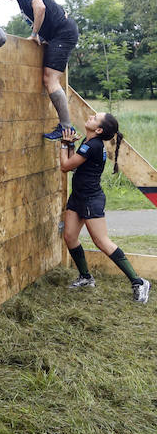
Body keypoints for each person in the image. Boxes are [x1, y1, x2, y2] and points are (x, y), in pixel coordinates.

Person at [60, 113, 151, 303]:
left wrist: (62, 144)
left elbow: (65, 166)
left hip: (91, 199)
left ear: (99, 129)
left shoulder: (93, 145)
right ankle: (85, 277)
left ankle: (138, 282)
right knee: (69, 236)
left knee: (101, 241)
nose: (90, 116)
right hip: (78, 197)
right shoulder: (89, 140)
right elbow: (75, 165)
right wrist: (70, 144)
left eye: (94, 118)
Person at [0, 0, 78, 139]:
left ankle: (67, 128)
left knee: (50, 79)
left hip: (63, 34)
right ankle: (66, 127)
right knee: (49, 79)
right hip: (56, 36)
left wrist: (34, 34)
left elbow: (40, 7)